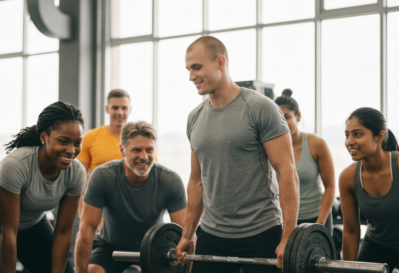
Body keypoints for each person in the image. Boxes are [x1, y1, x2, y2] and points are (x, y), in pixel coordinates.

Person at [175, 36, 299, 273]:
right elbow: (196, 180)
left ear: (220, 62)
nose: (191, 76)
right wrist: (188, 233)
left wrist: (288, 237)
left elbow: (287, 173)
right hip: (211, 235)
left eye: (197, 67)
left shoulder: (260, 108)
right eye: (189, 69)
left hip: (261, 233)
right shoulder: (195, 118)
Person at [0, 101, 86, 273]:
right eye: (64, 141)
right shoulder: (16, 164)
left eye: (77, 143)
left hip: (33, 224)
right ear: (44, 137)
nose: (71, 150)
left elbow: (63, 231)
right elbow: (8, 232)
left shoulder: (76, 172)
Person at [74, 121, 187, 273]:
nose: (144, 156)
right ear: (122, 149)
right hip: (110, 248)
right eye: (137, 150)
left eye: (149, 150)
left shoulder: (170, 180)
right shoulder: (103, 176)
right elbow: (86, 229)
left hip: (154, 249)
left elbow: (184, 234)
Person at [339, 107, 399, 272]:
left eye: (357, 134)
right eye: (347, 135)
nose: (349, 141)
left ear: (379, 136)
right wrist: (347, 269)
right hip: (377, 244)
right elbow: (351, 230)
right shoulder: (348, 177)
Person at [275, 89, 335, 234]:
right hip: (284, 221)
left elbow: (330, 187)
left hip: (316, 218)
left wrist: (320, 224)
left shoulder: (317, 144)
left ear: (298, 116)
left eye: (286, 117)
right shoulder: (270, 148)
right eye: (278, 119)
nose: (282, 123)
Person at [76, 89, 131, 219]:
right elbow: (80, 178)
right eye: (115, 108)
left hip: (130, 212)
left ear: (130, 109)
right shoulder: (90, 137)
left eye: (124, 108)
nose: (119, 112)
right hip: (97, 213)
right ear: (107, 109)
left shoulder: (139, 142)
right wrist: (81, 210)